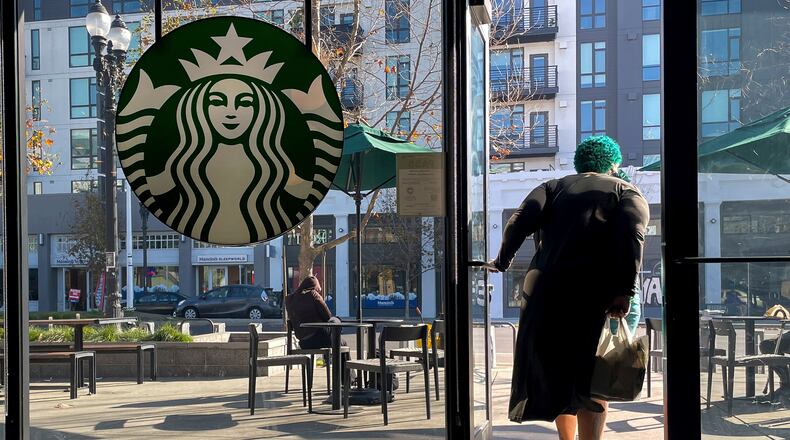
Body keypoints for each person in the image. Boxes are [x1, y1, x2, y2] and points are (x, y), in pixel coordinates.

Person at [488, 135, 650, 440]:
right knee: (595, 375)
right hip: (597, 296)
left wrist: (502, 261)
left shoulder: (552, 187)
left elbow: (518, 222)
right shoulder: (624, 190)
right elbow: (634, 238)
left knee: (559, 375)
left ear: (580, 163)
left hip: (548, 295)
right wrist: (624, 291)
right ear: (613, 164)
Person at [284, 276, 339, 350]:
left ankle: (328, 359)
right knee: (336, 321)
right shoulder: (313, 295)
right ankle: (340, 361)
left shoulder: (289, 299)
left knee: (335, 337)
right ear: (314, 288)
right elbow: (328, 317)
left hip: (303, 343)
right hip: (319, 339)